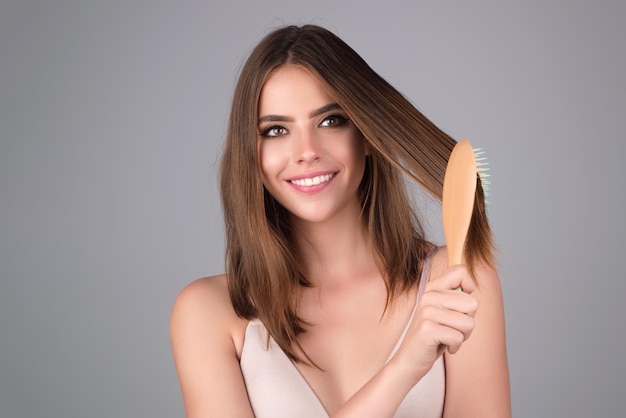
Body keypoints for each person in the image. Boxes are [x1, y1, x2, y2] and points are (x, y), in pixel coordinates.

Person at [170, 24, 510, 418]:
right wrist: (405, 366)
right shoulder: (209, 314)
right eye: (276, 130)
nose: (306, 152)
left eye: (330, 121)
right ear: (253, 155)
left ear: (367, 133)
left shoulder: (458, 280)